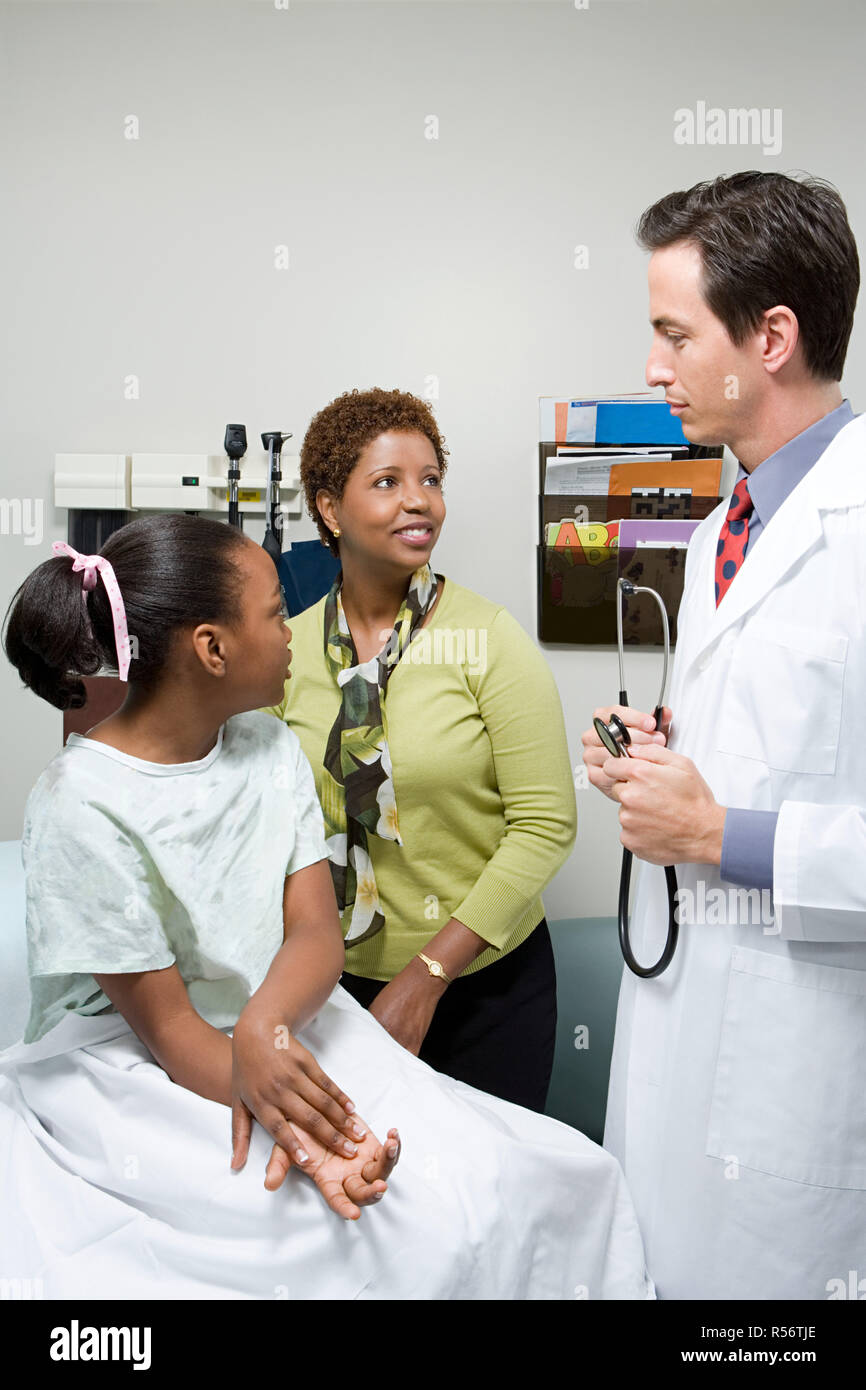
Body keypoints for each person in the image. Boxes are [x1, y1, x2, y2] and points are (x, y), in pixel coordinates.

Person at [0, 513, 652, 1300]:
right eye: (276, 614)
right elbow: (169, 1030)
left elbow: (315, 931)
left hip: (285, 1014)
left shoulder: (267, 748)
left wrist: (264, 1025)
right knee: (345, 1241)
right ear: (212, 649)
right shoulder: (80, 805)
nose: (292, 634)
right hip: (136, 1060)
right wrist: (314, 1135)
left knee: (537, 1178)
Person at [581, 171, 865, 1300]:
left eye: (671, 334)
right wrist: (657, 750)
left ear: (771, 337)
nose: (652, 368)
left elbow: (740, 814)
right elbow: (770, 739)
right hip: (678, 1039)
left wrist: (716, 833)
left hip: (801, 1076)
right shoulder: (722, 532)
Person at [262, 387, 576, 1113]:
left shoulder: (488, 640)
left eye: (431, 479)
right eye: (388, 482)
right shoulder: (288, 651)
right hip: (331, 988)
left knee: (486, 1201)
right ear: (330, 509)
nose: (420, 501)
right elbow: (271, 823)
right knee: (362, 1202)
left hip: (483, 989)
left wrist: (428, 974)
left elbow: (546, 824)